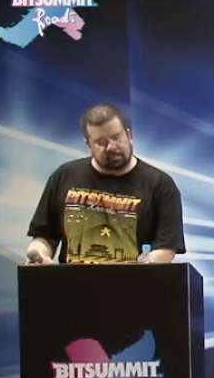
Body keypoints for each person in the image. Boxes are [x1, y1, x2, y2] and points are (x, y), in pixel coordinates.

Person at [26, 103, 185, 265]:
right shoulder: (64, 176)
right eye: (100, 142)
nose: (111, 147)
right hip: (72, 280)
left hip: (133, 281)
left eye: (116, 137)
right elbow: (44, 237)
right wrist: (39, 256)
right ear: (88, 145)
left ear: (129, 136)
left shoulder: (160, 185)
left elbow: (166, 249)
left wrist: (142, 267)